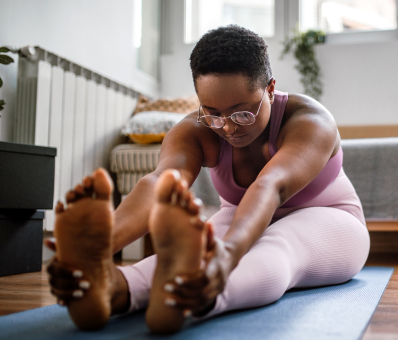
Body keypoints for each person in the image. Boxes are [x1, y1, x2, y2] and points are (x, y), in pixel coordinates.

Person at [46, 25, 370, 334]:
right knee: (194, 252)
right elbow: (161, 181)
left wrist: (226, 256)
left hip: (331, 221)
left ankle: (197, 298)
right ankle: (111, 288)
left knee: (277, 247)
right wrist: (102, 245)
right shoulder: (195, 129)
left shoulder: (310, 121)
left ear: (270, 88)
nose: (227, 127)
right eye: (212, 112)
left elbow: (269, 186)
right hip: (241, 214)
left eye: (243, 112)